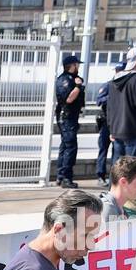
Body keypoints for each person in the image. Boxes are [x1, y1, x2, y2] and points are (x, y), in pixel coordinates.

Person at [106, 45, 136, 162]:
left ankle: (113, 181)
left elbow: (110, 106)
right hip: (133, 129)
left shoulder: (114, 80)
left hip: (117, 129)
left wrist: (111, 128)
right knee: (131, 166)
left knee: (117, 166)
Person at [54, 54, 85, 189]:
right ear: (71, 66)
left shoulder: (72, 78)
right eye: (76, 65)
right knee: (70, 147)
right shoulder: (65, 80)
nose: (78, 67)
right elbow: (69, 99)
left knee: (65, 146)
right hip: (66, 117)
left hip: (71, 117)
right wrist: (78, 87)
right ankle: (66, 177)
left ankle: (61, 176)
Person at [94, 67, 117, 185]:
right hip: (106, 122)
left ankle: (114, 177)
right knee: (103, 149)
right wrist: (113, 96)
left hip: (118, 122)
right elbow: (99, 100)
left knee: (116, 150)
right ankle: (100, 175)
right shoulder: (108, 85)